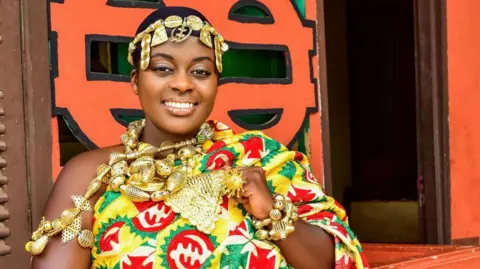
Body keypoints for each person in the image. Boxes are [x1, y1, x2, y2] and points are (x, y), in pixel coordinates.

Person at [27, 6, 369, 269]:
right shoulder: (92, 173)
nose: (183, 84)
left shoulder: (259, 158)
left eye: (201, 72)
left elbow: (334, 260)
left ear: (215, 84)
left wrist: (272, 212)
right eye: (162, 68)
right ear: (135, 81)